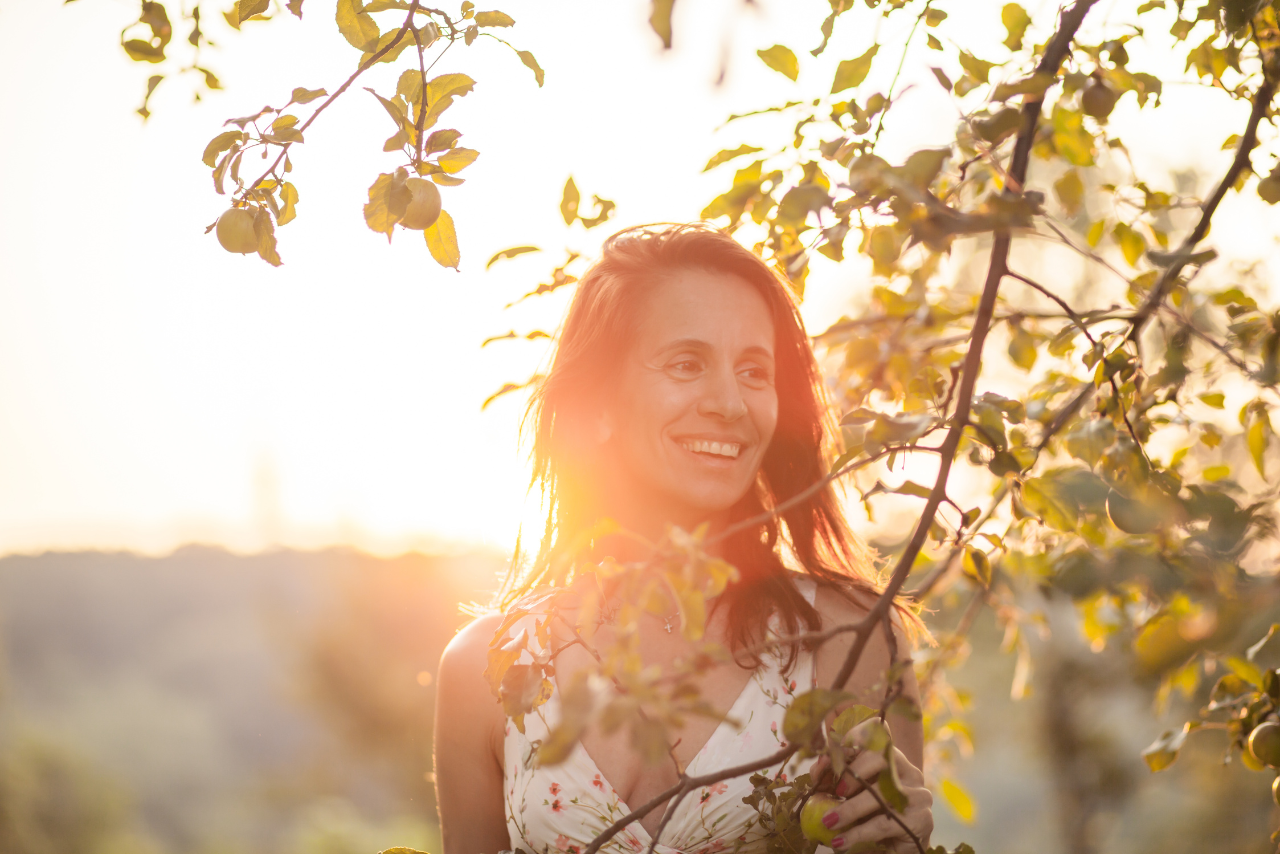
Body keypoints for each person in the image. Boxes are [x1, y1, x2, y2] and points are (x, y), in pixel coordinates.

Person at [435, 224, 933, 854]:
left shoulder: (846, 639)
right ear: (597, 405)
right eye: (686, 364)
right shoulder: (488, 669)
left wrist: (904, 845)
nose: (730, 402)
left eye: (754, 371)